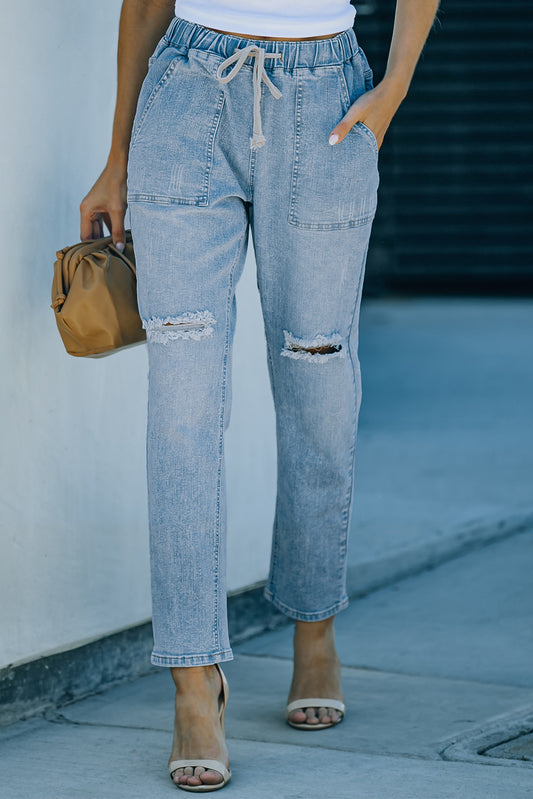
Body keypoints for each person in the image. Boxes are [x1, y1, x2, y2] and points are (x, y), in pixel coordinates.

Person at [80, 0, 439, 791]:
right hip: (183, 104)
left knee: (316, 378)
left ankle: (314, 630)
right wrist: (116, 160)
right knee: (181, 408)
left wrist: (394, 90)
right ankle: (192, 682)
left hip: (326, 107)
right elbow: (145, 4)